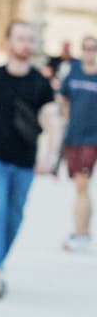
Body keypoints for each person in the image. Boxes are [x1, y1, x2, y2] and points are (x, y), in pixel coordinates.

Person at [0, 19, 61, 298]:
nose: (25, 45)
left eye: (29, 40)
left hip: (25, 163)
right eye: (20, 38)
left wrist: (52, 156)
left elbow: (53, 120)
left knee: (14, 217)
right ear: (7, 42)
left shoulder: (40, 83)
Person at [58, 33, 97, 252]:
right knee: (80, 186)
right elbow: (63, 95)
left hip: (92, 137)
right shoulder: (73, 72)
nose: (90, 52)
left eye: (94, 48)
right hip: (73, 135)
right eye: (87, 48)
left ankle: (80, 232)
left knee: (83, 183)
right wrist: (66, 115)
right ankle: (84, 231)